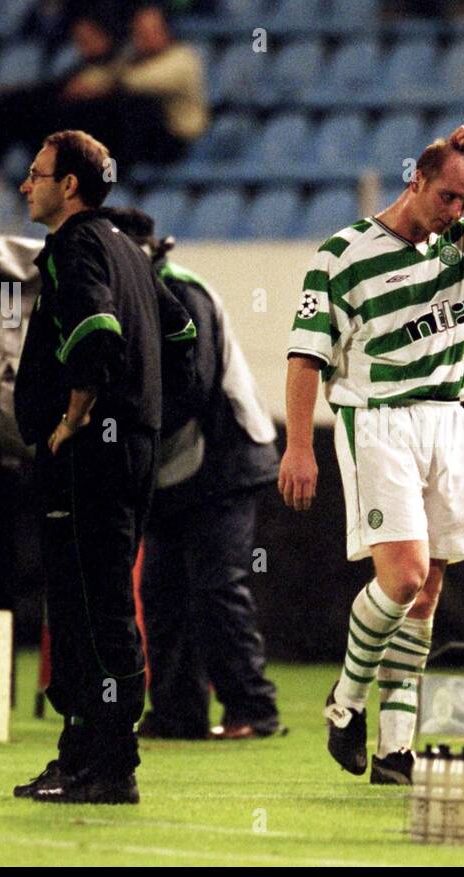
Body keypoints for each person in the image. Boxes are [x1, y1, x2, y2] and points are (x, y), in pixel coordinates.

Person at [278, 126, 464, 785]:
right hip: (378, 418)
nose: (458, 210)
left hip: (446, 419)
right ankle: (346, 700)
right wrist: (298, 445)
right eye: (448, 196)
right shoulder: (342, 253)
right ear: (415, 181)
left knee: (429, 591)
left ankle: (396, 748)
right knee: (402, 577)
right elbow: (304, 356)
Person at [11, 130, 197, 805]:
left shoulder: (76, 244)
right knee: (87, 601)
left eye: (35, 174)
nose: (24, 186)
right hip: (130, 448)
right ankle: (79, 754)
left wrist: (74, 417)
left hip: (92, 452)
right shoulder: (129, 247)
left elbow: (97, 333)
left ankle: (112, 764)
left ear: (69, 186)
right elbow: (181, 337)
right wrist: (149, 415)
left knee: (95, 607)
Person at [100, 206, 284, 742]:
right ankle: (179, 713)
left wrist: (123, 426)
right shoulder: (121, 300)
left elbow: (191, 388)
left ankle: (253, 709)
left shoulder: (183, 295)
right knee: (160, 594)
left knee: (215, 588)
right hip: (168, 469)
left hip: (224, 461)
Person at [0, 6, 206, 175]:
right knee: (46, 109)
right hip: (136, 138)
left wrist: (94, 85)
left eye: (149, 31)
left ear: (166, 31)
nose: (142, 37)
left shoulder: (182, 58)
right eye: (138, 31)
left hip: (171, 141)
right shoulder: (130, 59)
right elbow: (85, 80)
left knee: (122, 107)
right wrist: (6, 94)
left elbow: (137, 81)